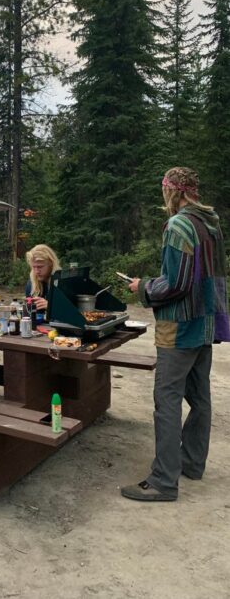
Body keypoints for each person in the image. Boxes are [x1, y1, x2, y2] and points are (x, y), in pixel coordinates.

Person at [121, 167, 230, 502]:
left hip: (180, 328)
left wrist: (143, 287)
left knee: (166, 401)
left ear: (173, 191)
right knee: (199, 399)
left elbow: (176, 284)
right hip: (206, 322)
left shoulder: (179, 224)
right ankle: (191, 463)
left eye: (164, 189)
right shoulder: (211, 223)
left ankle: (164, 481)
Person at [25, 244, 61, 320]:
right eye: (33, 267)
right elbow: (29, 314)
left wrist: (51, 307)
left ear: (51, 264)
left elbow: (72, 314)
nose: (36, 271)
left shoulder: (61, 282)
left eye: (40, 267)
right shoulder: (31, 284)